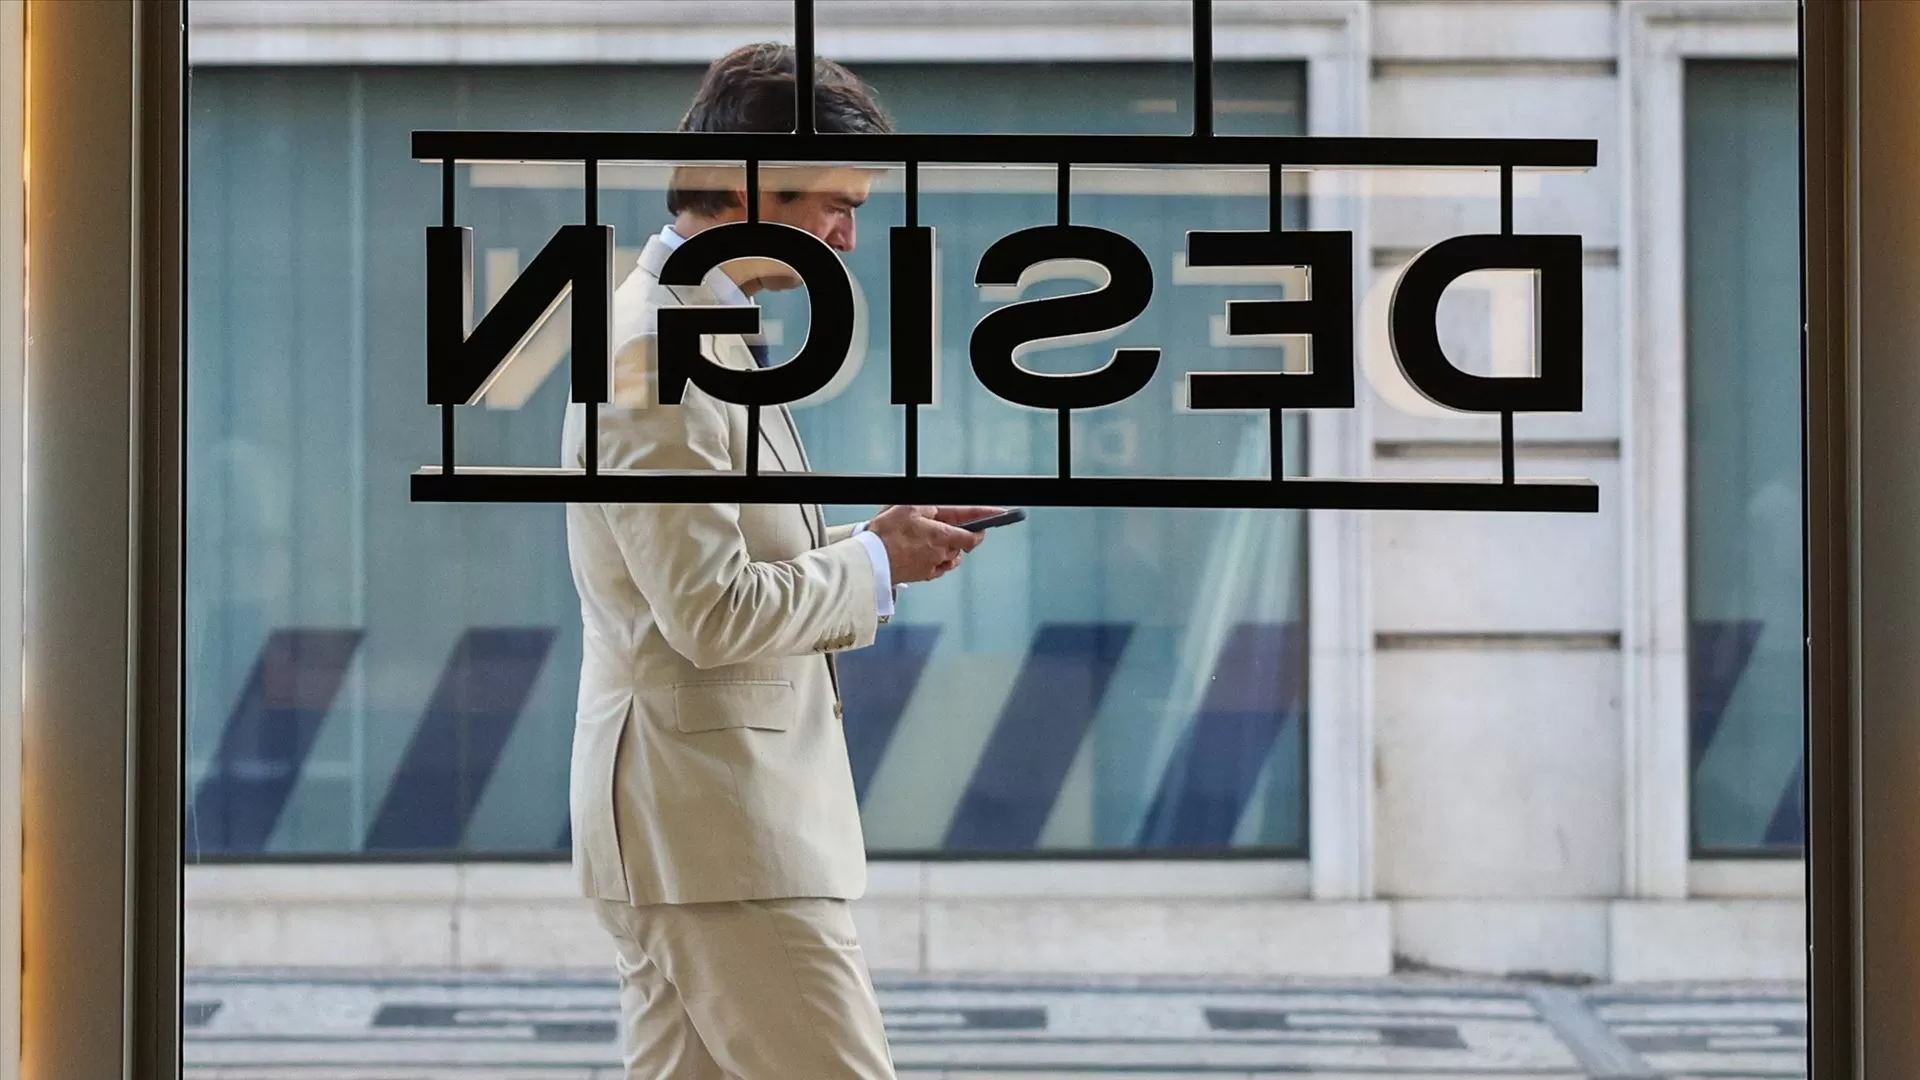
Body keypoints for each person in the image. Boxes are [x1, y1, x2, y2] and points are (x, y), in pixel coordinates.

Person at [561, 43, 996, 1080]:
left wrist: (873, 544)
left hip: (700, 831)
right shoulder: (655, 349)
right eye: (836, 205)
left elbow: (706, 566)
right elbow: (708, 611)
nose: (849, 237)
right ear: (754, 188)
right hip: (719, 834)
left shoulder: (695, 327)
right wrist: (874, 564)